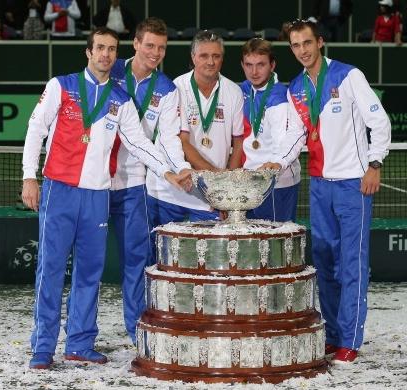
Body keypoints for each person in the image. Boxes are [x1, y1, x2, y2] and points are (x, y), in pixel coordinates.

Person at [22, 27, 189, 370]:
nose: (105, 54)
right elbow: (35, 129)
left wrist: (168, 172)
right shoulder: (62, 86)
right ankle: (43, 346)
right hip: (59, 190)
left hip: (99, 193)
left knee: (89, 273)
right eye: (99, 48)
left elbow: (140, 144)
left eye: (111, 49)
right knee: (51, 269)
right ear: (88, 52)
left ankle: (80, 343)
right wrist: (29, 177)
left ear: (116, 54)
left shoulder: (120, 100)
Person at [264, 20, 391, 364]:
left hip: (354, 184)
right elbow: (295, 137)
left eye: (307, 43)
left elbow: (379, 122)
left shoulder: (349, 76)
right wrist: (277, 162)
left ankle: (350, 338)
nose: (303, 50)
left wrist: (374, 164)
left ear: (319, 42)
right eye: (295, 45)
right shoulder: (296, 88)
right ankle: (333, 335)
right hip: (319, 185)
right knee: (325, 264)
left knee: (352, 265)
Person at [108, 17, 192, 344]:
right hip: (95, 179)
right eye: (149, 46)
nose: (155, 53)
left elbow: (169, 138)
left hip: (134, 181)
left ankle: (136, 330)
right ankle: (77, 338)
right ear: (136, 44)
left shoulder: (167, 90)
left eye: (161, 47)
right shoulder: (109, 68)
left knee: (136, 259)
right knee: (85, 263)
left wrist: (180, 167)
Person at [147, 30, 244, 226]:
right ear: (193, 57)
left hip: (207, 196)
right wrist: (215, 175)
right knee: (162, 255)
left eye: (216, 56)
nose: (210, 62)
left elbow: (239, 143)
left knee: (208, 255)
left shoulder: (233, 91)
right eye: (204, 56)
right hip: (170, 190)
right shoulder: (176, 88)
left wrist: (225, 189)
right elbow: (181, 142)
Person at [240, 38, 300, 222]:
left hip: (276, 183)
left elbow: (283, 143)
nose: (254, 71)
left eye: (260, 65)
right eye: (249, 65)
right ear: (242, 65)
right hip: (246, 182)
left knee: (276, 245)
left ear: (272, 65)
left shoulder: (280, 96)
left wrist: (270, 171)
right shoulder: (240, 90)